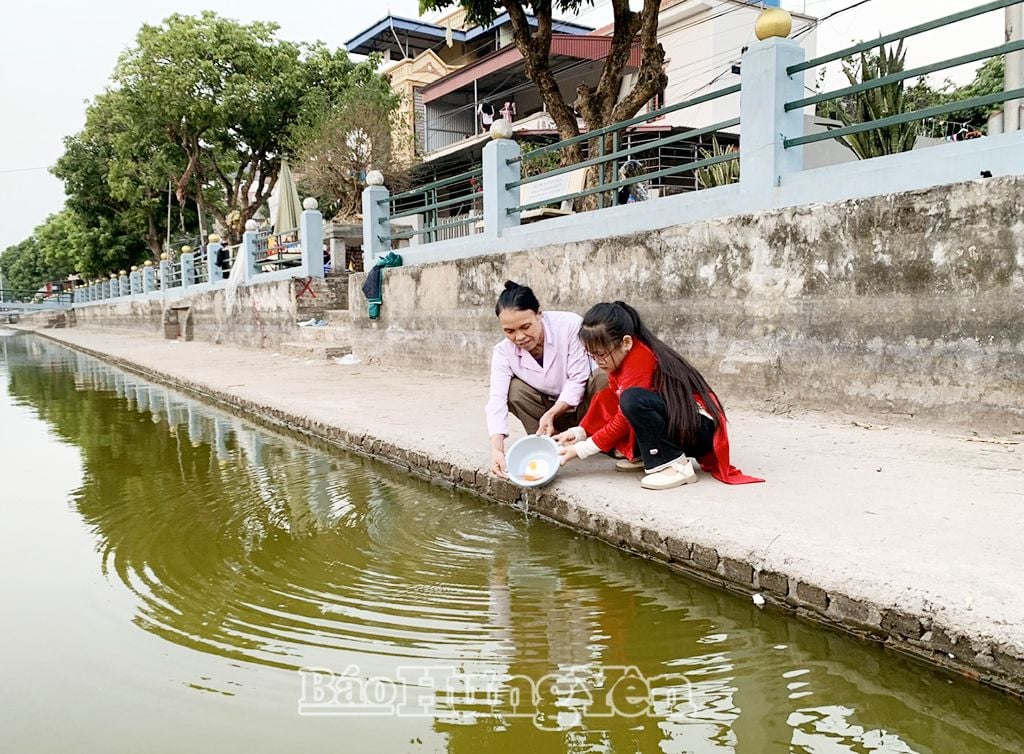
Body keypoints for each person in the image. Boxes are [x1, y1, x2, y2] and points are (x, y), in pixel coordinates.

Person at [554, 301, 763, 490]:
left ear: (626, 342)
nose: (597, 360)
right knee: (607, 397)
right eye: (592, 355)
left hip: (701, 428)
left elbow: (624, 416)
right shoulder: (621, 361)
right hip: (682, 422)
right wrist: (580, 432)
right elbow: (610, 403)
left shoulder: (641, 358)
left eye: (601, 354)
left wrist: (582, 449)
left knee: (632, 401)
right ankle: (645, 455)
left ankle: (675, 464)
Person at [486, 281, 607, 477]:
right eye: (509, 331)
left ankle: (603, 437)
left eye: (525, 327)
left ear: (539, 314)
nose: (519, 337)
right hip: (549, 417)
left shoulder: (569, 325)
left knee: (602, 378)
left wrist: (551, 413)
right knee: (514, 390)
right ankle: (548, 444)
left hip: (586, 407)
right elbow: (497, 400)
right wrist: (497, 450)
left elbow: (578, 379)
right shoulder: (502, 351)